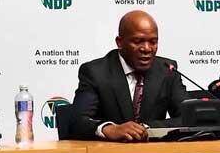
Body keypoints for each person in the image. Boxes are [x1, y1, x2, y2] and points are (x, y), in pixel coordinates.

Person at [71, 10, 186, 141]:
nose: (147, 48)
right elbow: (78, 122)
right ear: (119, 42)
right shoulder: (96, 72)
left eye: (153, 42)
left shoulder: (167, 70)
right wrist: (110, 129)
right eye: (138, 41)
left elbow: (188, 117)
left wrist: (146, 128)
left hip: (154, 150)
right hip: (110, 151)